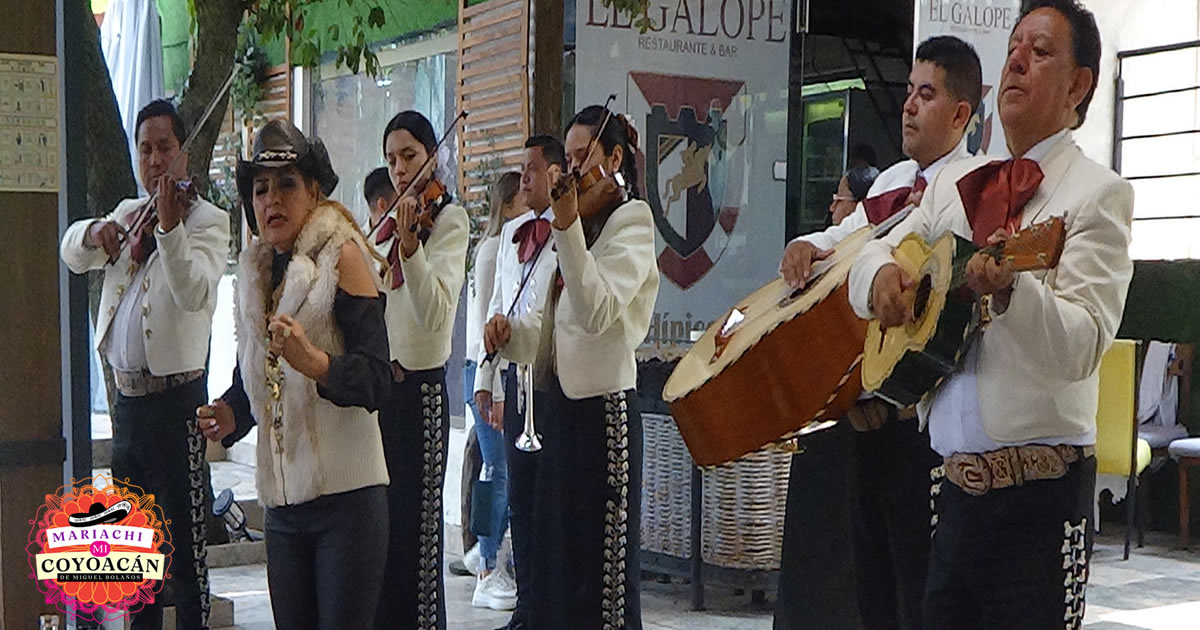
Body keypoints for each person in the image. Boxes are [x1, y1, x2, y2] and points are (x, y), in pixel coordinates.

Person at [850, 2, 1132, 628]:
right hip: (948, 493)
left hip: (1039, 498)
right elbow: (869, 247)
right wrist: (880, 282)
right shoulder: (957, 185)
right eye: (1013, 47)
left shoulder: (1097, 194)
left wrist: (1014, 293)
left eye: (1039, 51)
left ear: (1079, 85)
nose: (1016, 61)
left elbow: (1084, 344)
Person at [775, 35, 981, 630]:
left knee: (916, 596)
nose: (909, 106)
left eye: (926, 94)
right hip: (863, 425)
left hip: (919, 434)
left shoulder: (974, 188)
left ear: (962, 114)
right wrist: (807, 246)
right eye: (909, 93)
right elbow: (845, 243)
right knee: (871, 597)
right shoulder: (893, 178)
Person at [197, 119, 392, 630]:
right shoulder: (260, 271)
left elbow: (377, 378)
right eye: (260, 189)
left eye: (286, 185)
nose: (272, 200)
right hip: (282, 509)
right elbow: (261, 373)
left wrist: (317, 363)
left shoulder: (342, 255)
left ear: (314, 190)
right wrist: (231, 411)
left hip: (347, 503)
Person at [485, 105, 659, 630]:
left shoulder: (631, 221)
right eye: (570, 158)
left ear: (615, 158)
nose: (573, 172)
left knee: (601, 575)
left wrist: (568, 229)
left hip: (604, 417)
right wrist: (511, 339)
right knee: (558, 568)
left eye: (584, 157)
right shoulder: (576, 226)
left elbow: (597, 310)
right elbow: (554, 329)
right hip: (559, 411)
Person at [60, 98, 230, 630]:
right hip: (127, 405)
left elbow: (194, 289)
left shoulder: (207, 220)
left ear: (184, 153)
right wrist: (95, 231)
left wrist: (170, 228)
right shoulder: (128, 212)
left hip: (178, 400)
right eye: (145, 148)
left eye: (164, 148)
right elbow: (70, 251)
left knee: (185, 554)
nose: (154, 160)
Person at [373, 110, 470, 630]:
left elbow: (435, 314)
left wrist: (411, 249)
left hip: (424, 392)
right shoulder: (391, 223)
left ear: (433, 155)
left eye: (409, 155)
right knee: (384, 533)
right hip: (383, 393)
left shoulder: (449, 220)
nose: (399, 168)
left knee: (420, 534)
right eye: (390, 159)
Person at [478, 135, 568, 629]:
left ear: (556, 174)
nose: (525, 177)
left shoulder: (572, 230)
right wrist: (487, 378)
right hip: (516, 377)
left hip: (553, 379)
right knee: (520, 499)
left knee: (548, 501)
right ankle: (526, 605)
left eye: (533, 169)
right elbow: (497, 302)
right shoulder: (512, 232)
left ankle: (548, 608)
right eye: (523, 168)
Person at [464, 169, 527, 609]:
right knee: (497, 469)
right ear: (507, 207)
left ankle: (484, 553)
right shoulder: (492, 250)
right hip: (486, 371)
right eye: (521, 200)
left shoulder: (503, 248)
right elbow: (488, 321)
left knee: (498, 468)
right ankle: (487, 565)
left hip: (495, 373)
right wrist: (495, 389)